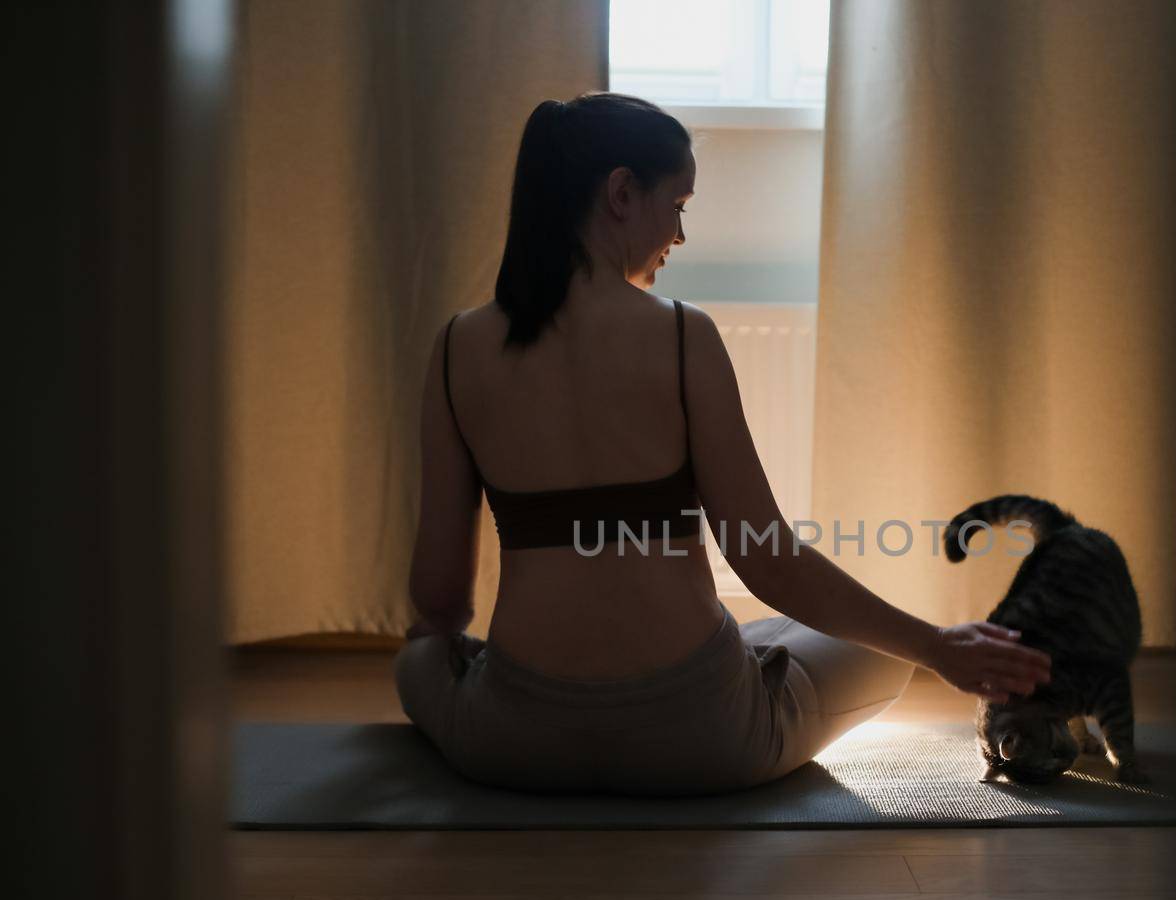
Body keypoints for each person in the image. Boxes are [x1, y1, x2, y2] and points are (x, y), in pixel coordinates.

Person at [393, 92, 1051, 796]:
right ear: (621, 192)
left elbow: (438, 598)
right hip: (699, 737)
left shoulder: (459, 347)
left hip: (516, 740)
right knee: (885, 652)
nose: (678, 237)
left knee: (421, 659)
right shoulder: (682, 336)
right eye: (677, 207)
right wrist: (935, 646)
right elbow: (766, 556)